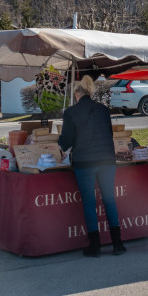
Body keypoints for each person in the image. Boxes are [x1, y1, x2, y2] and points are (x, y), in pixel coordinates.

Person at [59, 75, 126, 257]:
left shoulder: (71, 112)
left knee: (89, 203)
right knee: (109, 200)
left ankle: (95, 246)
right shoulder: (103, 110)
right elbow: (109, 133)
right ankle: (118, 244)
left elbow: (66, 141)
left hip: (85, 162)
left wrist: (59, 144)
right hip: (106, 160)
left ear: (77, 93)